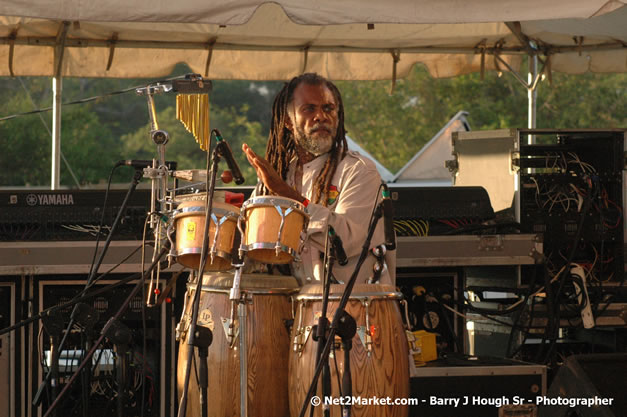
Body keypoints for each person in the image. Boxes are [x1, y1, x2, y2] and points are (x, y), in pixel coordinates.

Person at [242, 73, 395, 285]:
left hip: (355, 307)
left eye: (328, 108)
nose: (321, 116)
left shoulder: (359, 170)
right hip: (299, 309)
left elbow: (345, 240)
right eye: (309, 109)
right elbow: (250, 241)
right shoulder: (279, 175)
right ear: (288, 121)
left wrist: (287, 194)